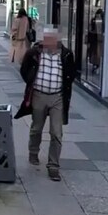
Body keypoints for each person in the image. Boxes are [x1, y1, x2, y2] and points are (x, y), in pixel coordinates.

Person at [15, 27, 78, 181]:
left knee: (56, 133)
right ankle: (33, 152)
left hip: (57, 97)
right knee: (37, 128)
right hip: (38, 95)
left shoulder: (67, 54)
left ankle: (53, 166)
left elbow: (71, 74)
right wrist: (31, 81)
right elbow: (24, 70)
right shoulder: (34, 53)